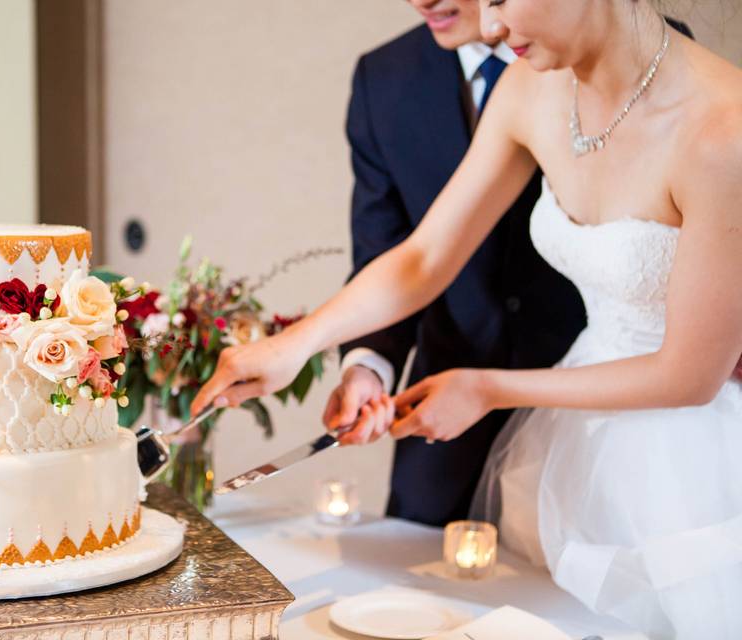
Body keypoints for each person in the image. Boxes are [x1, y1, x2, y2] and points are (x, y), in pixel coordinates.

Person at [193, 0, 742, 635]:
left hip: (693, 460)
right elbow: (424, 257)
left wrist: (486, 387)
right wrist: (294, 345)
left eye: (502, 0)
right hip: (577, 441)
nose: (487, 28)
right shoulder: (528, 88)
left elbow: (688, 377)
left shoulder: (721, 130)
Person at [327, 0, 586, 527]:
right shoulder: (384, 77)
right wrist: (366, 366)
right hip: (441, 406)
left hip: (591, 400)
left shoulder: (619, 56)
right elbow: (391, 252)